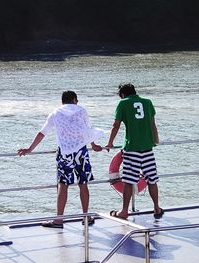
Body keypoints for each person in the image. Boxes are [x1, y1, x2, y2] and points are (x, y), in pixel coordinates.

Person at [18, 91, 103, 228]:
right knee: (83, 184)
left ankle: (59, 220)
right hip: (81, 151)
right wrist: (94, 145)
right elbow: (88, 130)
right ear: (75, 100)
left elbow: (42, 133)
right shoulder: (82, 111)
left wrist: (29, 149)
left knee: (63, 186)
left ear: (62, 101)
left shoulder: (55, 113)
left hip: (64, 152)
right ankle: (85, 217)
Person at [106, 83, 164, 220]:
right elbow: (152, 123)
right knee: (152, 179)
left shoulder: (123, 104)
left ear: (122, 94)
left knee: (128, 180)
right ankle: (156, 207)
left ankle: (124, 211)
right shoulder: (148, 102)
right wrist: (156, 140)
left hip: (132, 148)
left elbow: (116, 125)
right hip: (148, 147)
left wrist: (110, 142)